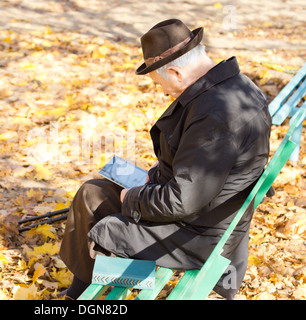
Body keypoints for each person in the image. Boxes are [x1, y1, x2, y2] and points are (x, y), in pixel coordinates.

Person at [59, 19, 271, 300]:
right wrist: (161, 170)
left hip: (196, 235)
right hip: (209, 214)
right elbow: (209, 164)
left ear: (175, 71)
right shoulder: (236, 86)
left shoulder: (215, 113)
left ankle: (79, 297)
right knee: (92, 193)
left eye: (161, 84)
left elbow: (182, 200)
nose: (163, 92)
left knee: (103, 218)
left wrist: (131, 198)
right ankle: (78, 293)